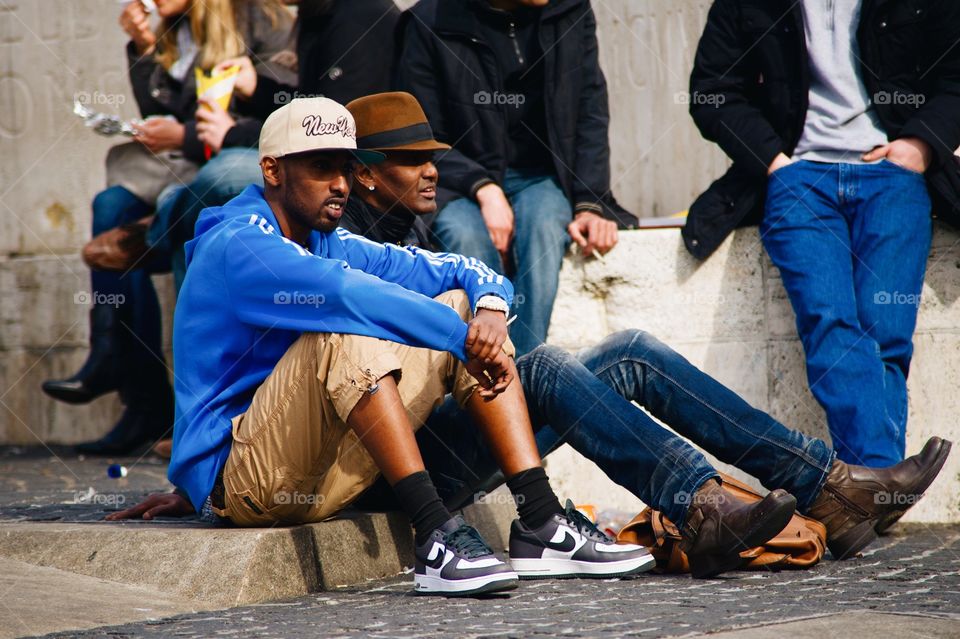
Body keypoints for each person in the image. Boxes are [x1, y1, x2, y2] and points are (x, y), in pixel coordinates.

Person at [112, 94, 951, 584]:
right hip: (264, 474)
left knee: (605, 350)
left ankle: (815, 486)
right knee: (356, 325)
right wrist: (460, 332)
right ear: (272, 172)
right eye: (321, 171)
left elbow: (470, 277)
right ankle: (456, 536)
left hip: (354, 451)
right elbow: (342, 298)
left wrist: (488, 313)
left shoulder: (332, 233)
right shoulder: (242, 245)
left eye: (344, 168)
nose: (337, 184)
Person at [685, 0, 960, 467]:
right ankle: (878, 483)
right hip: (798, 178)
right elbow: (713, 90)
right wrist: (776, 163)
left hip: (893, 174)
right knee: (829, 323)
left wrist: (918, 145)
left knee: (885, 333)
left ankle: (866, 490)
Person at [41, 0, 294, 456]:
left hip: (232, 164)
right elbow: (163, 108)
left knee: (172, 218)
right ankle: (136, 390)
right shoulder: (175, 30)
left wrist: (186, 137)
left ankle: (148, 244)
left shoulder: (264, 21)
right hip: (182, 166)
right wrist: (143, 48)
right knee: (111, 203)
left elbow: (283, 115)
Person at [396, 0, 635, 356]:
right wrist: (484, 188)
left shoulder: (569, 11)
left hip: (540, 176)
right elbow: (423, 133)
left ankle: (519, 372)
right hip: (455, 183)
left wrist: (590, 202)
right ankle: (492, 376)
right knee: (465, 238)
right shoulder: (429, 21)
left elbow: (589, 110)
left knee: (543, 226)